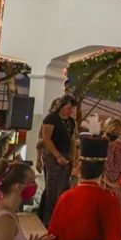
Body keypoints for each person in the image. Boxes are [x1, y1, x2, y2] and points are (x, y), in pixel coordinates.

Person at [39, 95, 77, 226]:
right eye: (68, 108)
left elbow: (72, 140)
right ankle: (48, 221)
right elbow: (46, 139)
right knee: (53, 189)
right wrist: (57, 156)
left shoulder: (71, 122)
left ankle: (61, 218)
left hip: (66, 155)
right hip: (53, 156)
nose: (70, 111)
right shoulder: (51, 119)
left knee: (64, 187)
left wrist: (73, 157)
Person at [100, 118, 121, 202]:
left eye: (117, 132)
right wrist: (109, 183)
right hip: (103, 184)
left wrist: (118, 182)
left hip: (117, 185)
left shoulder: (120, 147)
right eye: (113, 132)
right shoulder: (100, 144)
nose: (115, 134)